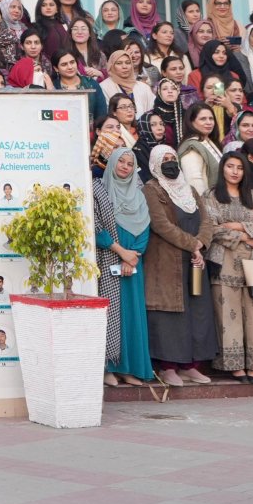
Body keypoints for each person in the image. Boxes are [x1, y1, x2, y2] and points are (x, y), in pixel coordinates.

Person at [142, 145, 219, 386]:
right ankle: (168, 368)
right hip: (167, 261)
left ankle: (190, 366)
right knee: (170, 315)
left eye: (172, 158)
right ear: (155, 163)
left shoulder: (192, 190)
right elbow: (161, 224)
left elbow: (207, 221)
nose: (169, 163)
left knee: (196, 312)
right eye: (164, 159)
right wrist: (193, 245)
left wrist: (201, 245)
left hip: (193, 261)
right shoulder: (151, 189)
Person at [203, 151, 253, 382]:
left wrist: (235, 225)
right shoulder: (211, 195)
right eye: (230, 166)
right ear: (222, 168)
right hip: (224, 261)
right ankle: (234, 365)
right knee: (228, 314)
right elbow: (212, 228)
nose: (234, 172)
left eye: (239, 167)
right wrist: (244, 235)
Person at [94, 147, 154, 386]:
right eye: (121, 162)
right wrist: (122, 253)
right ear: (112, 164)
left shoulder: (139, 194)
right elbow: (96, 227)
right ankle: (109, 367)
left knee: (132, 314)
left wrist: (134, 256)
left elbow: (145, 226)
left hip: (134, 262)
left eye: (130, 164)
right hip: (108, 258)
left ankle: (129, 368)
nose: (125, 167)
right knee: (111, 314)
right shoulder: (99, 190)